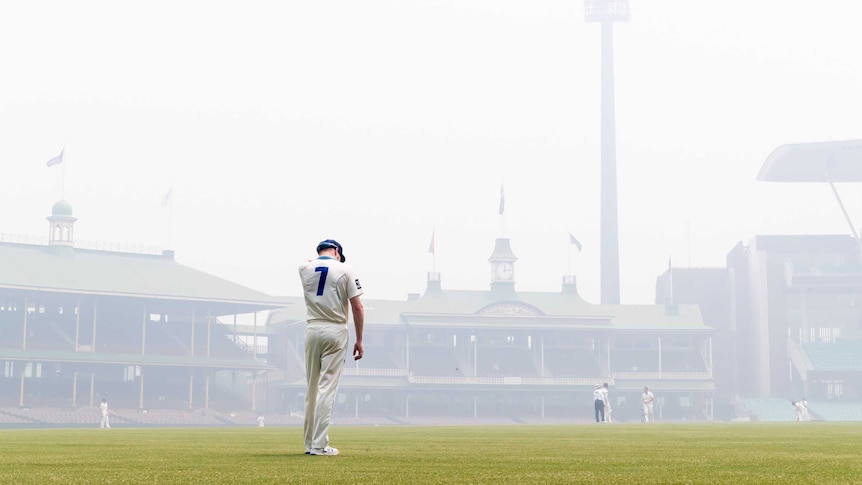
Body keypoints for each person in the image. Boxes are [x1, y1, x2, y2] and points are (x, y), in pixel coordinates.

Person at [299, 239, 364, 456]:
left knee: (312, 388)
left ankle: (309, 443)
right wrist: (359, 339)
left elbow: (309, 262)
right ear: (336, 251)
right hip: (335, 329)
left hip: (312, 328)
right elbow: (357, 307)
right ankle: (319, 445)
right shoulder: (345, 269)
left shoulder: (304, 268)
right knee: (327, 388)